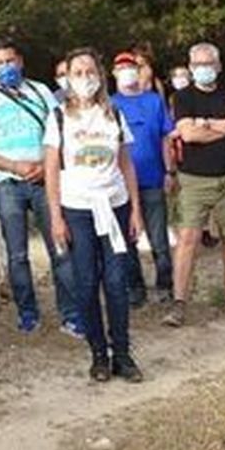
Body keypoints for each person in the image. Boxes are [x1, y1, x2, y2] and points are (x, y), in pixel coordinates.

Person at [0, 38, 81, 336]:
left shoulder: (42, 91)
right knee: (17, 254)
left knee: (61, 248)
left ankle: (71, 314)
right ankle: (28, 312)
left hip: (45, 179)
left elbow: (60, 130)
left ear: (20, 61)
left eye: (10, 61)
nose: (6, 67)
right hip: (9, 183)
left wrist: (45, 166)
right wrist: (14, 166)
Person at [46, 49, 144, 383]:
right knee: (86, 283)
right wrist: (56, 217)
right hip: (78, 208)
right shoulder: (58, 116)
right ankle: (98, 353)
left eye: (90, 71)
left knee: (117, 282)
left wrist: (136, 211)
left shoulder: (114, 114)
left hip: (114, 205)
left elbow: (126, 163)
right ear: (67, 77)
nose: (85, 77)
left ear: (100, 75)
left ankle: (123, 353)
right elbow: (51, 171)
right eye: (78, 71)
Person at [166, 43, 225, 328]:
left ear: (218, 66)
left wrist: (205, 123)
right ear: (191, 68)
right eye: (197, 64)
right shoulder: (183, 97)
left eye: (208, 63)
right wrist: (222, 126)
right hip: (193, 177)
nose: (203, 69)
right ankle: (179, 302)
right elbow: (189, 136)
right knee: (188, 238)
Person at [109, 52, 175, 308]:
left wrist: (169, 172)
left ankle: (165, 285)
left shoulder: (154, 101)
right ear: (114, 74)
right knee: (127, 240)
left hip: (152, 179)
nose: (126, 71)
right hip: (121, 184)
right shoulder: (110, 104)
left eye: (131, 67)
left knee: (158, 239)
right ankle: (135, 288)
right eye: (121, 68)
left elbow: (165, 138)